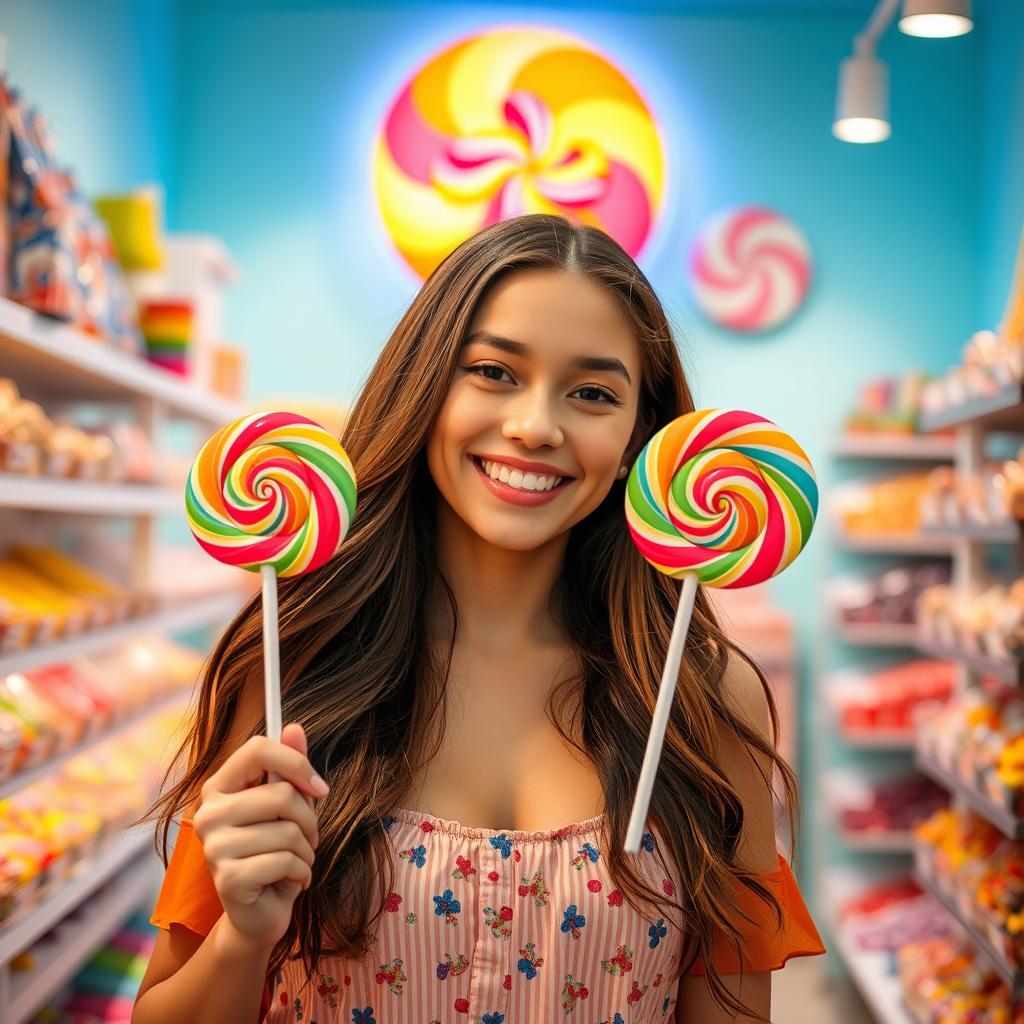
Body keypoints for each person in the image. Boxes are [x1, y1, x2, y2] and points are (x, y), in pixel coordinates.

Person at [132, 213, 825, 1024]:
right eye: (494, 371)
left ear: (642, 436)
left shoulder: (705, 702)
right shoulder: (295, 669)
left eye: (594, 392)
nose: (536, 425)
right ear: (426, 387)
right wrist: (242, 940)